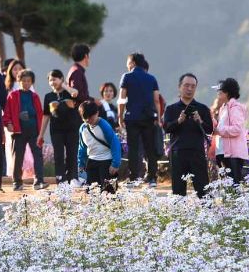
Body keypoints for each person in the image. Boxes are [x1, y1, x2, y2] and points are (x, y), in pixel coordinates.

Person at [163, 73, 214, 198]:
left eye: (193, 86)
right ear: (180, 87)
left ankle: (209, 215)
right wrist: (178, 121)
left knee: (203, 189)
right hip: (178, 153)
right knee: (178, 192)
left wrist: (200, 120)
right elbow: (166, 128)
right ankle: (179, 216)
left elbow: (209, 129)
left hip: (197, 152)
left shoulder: (202, 108)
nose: (190, 89)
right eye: (186, 86)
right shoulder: (171, 109)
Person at [118, 53, 163, 188]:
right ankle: (152, 178)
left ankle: (133, 179)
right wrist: (159, 118)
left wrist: (120, 116)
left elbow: (122, 99)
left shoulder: (127, 76)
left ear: (132, 62)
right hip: (149, 117)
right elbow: (156, 100)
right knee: (150, 147)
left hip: (132, 117)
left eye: (128, 62)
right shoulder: (151, 78)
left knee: (133, 148)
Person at [3, 69, 46, 191]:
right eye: (24, 81)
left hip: (34, 131)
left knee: (38, 155)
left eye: (29, 81)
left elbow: (40, 114)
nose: (26, 83)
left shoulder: (35, 96)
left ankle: (39, 181)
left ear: (32, 82)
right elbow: (6, 114)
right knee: (18, 157)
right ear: (19, 81)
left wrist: (41, 132)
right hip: (19, 131)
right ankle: (17, 182)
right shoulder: (13, 95)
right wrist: (9, 123)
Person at [39, 69, 81, 186]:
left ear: (61, 79)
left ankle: (73, 178)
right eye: (50, 80)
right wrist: (41, 134)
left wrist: (64, 85)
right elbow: (46, 116)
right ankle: (61, 180)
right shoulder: (48, 96)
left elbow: (75, 93)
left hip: (72, 129)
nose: (52, 82)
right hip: (56, 130)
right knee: (58, 155)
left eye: (55, 79)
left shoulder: (69, 92)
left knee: (72, 154)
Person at [77, 101, 122, 191]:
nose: (88, 120)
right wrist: (81, 164)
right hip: (92, 162)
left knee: (108, 193)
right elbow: (82, 147)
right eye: (85, 118)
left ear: (97, 113)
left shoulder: (104, 126)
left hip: (107, 163)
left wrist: (115, 164)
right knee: (92, 192)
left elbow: (115, 143)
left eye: (91, 117)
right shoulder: (83, 128)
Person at [213, 78, 249, 183]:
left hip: (233, 155)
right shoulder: (223, 108)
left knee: (233, 186)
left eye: (221, 91)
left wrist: (219, 130)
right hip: (222, 152)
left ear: (227, 93)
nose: (218, 93)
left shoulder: (235, 108)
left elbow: (237, 129)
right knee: (226, 185)